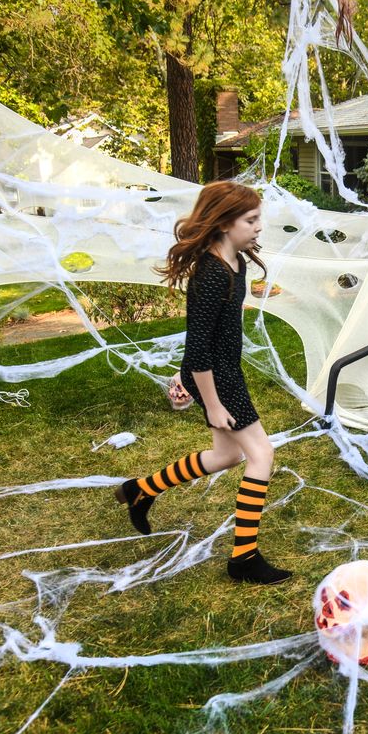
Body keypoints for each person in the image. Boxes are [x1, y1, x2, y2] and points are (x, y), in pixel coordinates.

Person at [114, 181, 290, 585]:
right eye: (251, 219)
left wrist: (190, 378)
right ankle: (243, 559)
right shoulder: (211, 276)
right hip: (218, 379)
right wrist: (211, 403)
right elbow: (197, 351)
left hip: (222, 371)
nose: (259, 226)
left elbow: (208, 339)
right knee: (261, 457)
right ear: (226, 223)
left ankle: (142, 490)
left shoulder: (238, 262)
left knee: (226, 456)